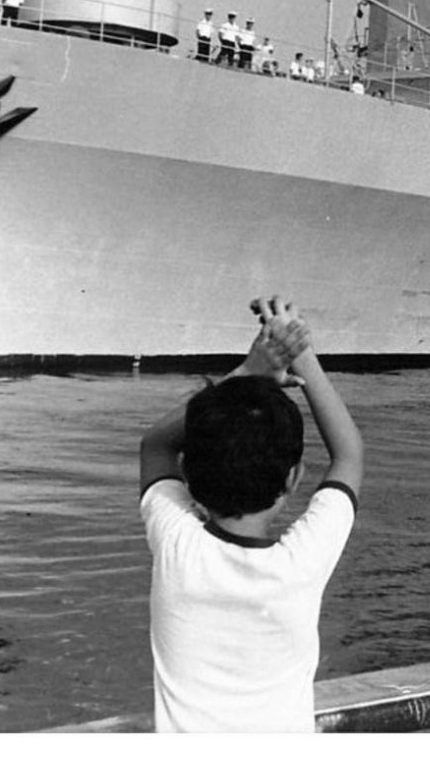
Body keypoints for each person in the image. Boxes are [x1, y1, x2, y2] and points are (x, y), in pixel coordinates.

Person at [139, 295, 364, 732]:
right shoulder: (302, 563)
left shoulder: (176, 545)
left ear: (189, 472)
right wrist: (301, 355)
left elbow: (155, 445)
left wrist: (251, 370)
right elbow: (349, 456)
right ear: (294, 479)